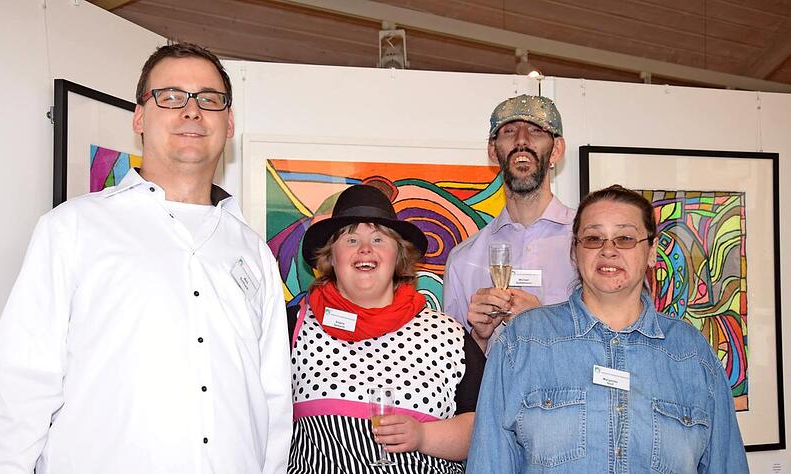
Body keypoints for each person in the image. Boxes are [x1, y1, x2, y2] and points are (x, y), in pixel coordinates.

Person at [0, 43, 291, 473]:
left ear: (229, 121)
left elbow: (273, 400)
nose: (191, 111)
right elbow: (23, 384)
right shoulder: (73, 228)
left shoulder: (253, 252)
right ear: (140, 116)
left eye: (209, 99)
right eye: (171, 96)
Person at [466, 185, 748, 473]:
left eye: (625, 238)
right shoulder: (522, 343)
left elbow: (727, 465)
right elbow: (489, 462)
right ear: (575, 252)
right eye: (593, 238)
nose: (608, 250)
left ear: (651, 252)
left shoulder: (692, 353)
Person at [287, 184, 485, 473]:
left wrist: (423, 436)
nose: (366, 249)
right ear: (331, 257)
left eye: (379, 239)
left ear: (398, 256)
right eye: (351, 240)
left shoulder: (448, 335)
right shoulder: (292, 327)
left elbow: (483, 428)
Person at [443, 95, 577, 353]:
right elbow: (455, 372)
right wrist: (479, 337)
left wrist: (545, 323)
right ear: (493, 151)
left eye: (536, 131)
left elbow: (614, 344)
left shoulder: (589, 246)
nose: (522, 140)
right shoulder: (463, 259)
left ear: (557, 150)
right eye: (509, 131)